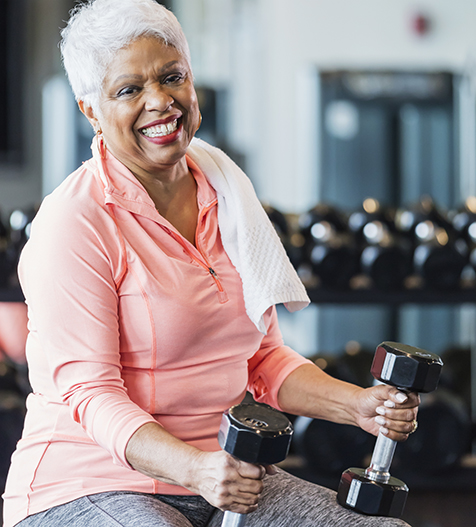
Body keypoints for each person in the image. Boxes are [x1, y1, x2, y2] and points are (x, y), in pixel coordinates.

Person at [2, 1, 420, 526]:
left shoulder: (226, 192)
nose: (160, 101)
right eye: (129, 90)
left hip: (225, 475)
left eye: (172, 77)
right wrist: (195, 470)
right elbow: (91, 395)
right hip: (88, 485)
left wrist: (358, 406)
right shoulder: (74, 222)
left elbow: (262, 360)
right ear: (90, 109)